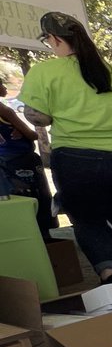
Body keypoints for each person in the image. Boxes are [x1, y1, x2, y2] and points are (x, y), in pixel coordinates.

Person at [21, 12, 112, 283]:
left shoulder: (46, 71)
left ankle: (110, 276)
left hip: (79, 159)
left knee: (89, 221)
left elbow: (39, 116)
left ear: (52, 39)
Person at [0, 79, 55, 236]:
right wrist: (25, 132)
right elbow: (32, 134)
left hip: (4, 158)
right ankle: (44, 232)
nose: (4, 87)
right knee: (37, 197)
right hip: (20, 157)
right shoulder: (6, 110)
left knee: (16, 197)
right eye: (1, 84)